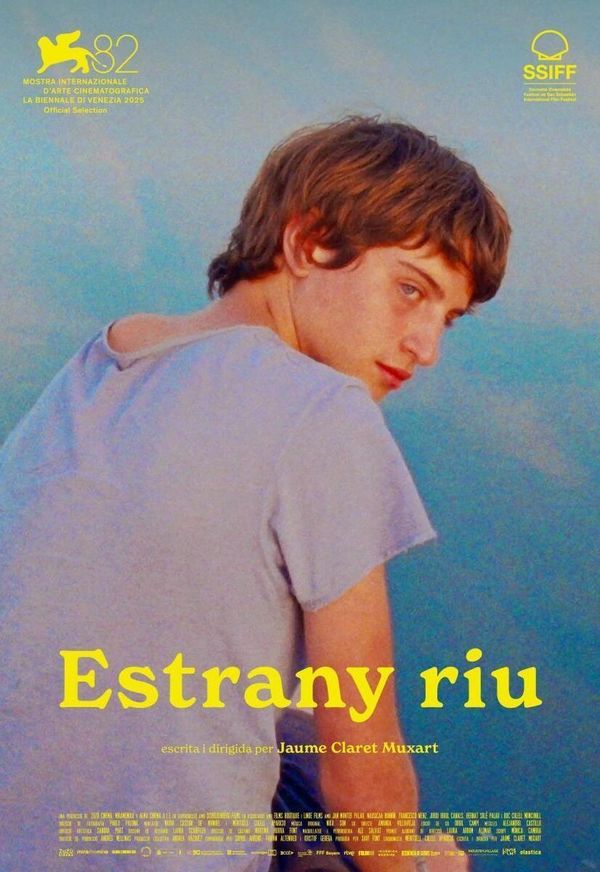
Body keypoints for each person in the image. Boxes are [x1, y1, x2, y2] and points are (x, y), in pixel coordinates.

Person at [0, 116, 510, 872]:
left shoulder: (105, 360)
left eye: (448, 318)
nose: (427, 347)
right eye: (410, 289)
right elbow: (360, 761)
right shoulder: (324, 413)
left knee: (284, 711)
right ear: (308, 244)